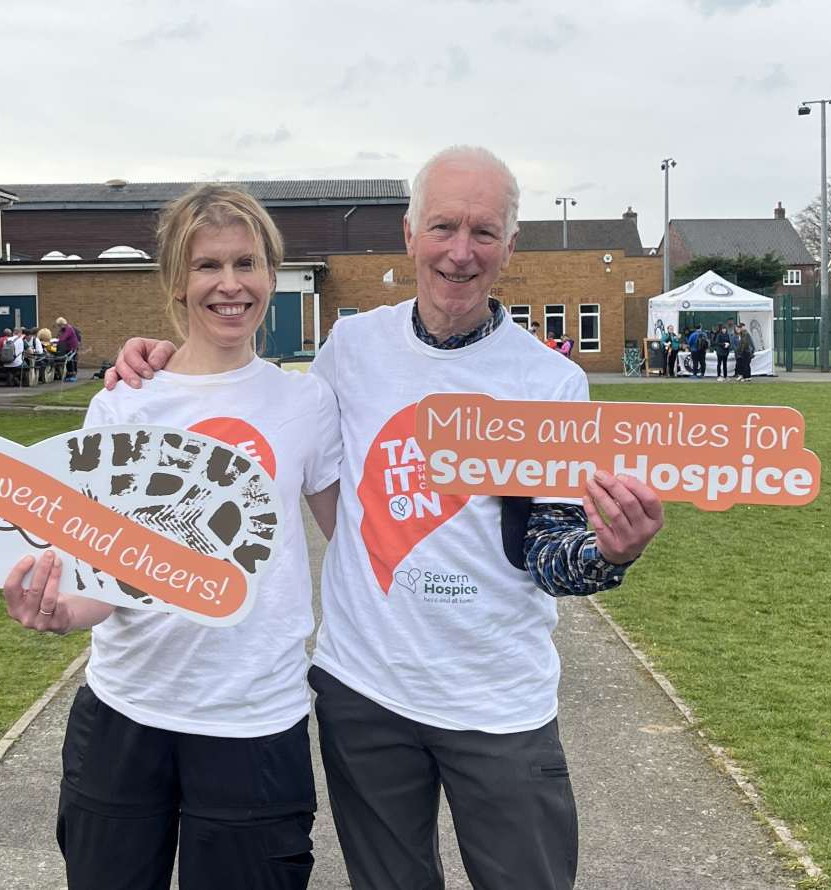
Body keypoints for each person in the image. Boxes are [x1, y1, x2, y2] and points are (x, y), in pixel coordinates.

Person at [106, 146, 664, 890]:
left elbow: (548, 550)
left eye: (483, 232)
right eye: (442, 227)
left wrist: (606, 551)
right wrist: (163, 358)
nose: (460, 253)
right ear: (409, 235)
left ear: (510, 246)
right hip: (364, 694)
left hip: (495, 700)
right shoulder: (353, 347)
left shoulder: (548, 382)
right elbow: (251, 397)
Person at [2, 185, 341, 890]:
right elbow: (100, 564)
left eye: (247, 262)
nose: (229, 284)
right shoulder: (124, 401)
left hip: (253, 715)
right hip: (128, 708)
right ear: (177, 283)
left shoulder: (304, 403)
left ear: (271, 275)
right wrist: (65, 609)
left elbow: (356, 537)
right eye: (207, 265)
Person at [56, 317, 80, 382]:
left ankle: (73, 375)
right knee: (68, 362)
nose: (59, 327)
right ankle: (69, 375)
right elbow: (59, 336)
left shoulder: (68, 328)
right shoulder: (63, 329)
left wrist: (57, 341)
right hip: (67, 347)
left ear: (62, 323)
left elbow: (64, 337)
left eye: (59, 325)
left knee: (71, 361)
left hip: (72, 347)